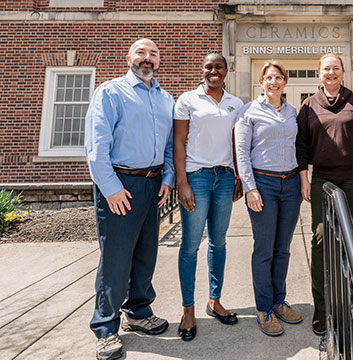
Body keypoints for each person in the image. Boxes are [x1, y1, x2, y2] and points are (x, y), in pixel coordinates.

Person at [85, 38, 174, 360]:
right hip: (120, 184)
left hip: (152, 186)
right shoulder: (110, 92)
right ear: (129, 58)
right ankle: (106, 328)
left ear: (159, 60)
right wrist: (110, 188)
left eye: (153, 53)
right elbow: (97, 145)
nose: (147, 58)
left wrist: (167, 179)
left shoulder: (165, 99)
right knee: (116, 258)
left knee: (145, 253)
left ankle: (138, 311)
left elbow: (167, 147)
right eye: (141, 52)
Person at [296, 53, 353, 336]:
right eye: (325, 69)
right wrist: (304, 179)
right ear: (319, 74)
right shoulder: (308, 105)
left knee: (352, 239)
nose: (330, 73)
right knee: (320, 238)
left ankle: (351, 298)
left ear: (343, 72)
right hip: (322, 178)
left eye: (335, 68)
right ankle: (321, 304)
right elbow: (302, 146)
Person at [173, 53, 243, 341]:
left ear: (227, 71)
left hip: (225, 178)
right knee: (190, 245)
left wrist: (238, 177)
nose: (214, 71)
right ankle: (188, 309)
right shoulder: (188, 100)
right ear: (202, 70)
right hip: (197, 177)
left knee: (219, 242)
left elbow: (237, 142)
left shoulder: (235, 104)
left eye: (219, 67)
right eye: (209, 67)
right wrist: (182, 182)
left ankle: (215, 301)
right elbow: (178, 140)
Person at [235, 61, 302, 337]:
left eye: (278, 77)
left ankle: (279, 299)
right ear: (261, 82)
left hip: (291, 184)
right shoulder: (248, 111)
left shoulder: (292, 111)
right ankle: (264, 308)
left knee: (283, 248)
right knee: (264, 248)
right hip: (263, 184)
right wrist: (250, 188)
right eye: (268, 77)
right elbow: (241, 152)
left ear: (285, 82)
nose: (273, 82)